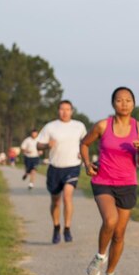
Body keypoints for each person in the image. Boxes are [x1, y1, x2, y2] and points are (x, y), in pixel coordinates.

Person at [80, 87, 139, 275]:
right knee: (110, 220)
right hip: (103, 180)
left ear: (134, 104)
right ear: (113, 104)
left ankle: (109, 274)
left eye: (128, 100)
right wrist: (86, 164)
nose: (124, 104)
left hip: (128, 183)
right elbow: (84, 144)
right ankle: (100, 256)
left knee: (119, 234)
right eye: (119, 100)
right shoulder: (103, 125)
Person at [37, 100, 87, 244]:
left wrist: (82, 153)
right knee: (56, 201)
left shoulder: (79, 126)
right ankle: (56, 226)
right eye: (62, 109)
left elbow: (86, 142)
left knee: (67, 196)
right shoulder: (50, 127)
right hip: (55, 167)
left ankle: (67, 228)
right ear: (58, 111)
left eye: (67, 109)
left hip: (72, 166)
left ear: (72, 111)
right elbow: (39, 144)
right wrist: (47, 145)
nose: (65, 112)